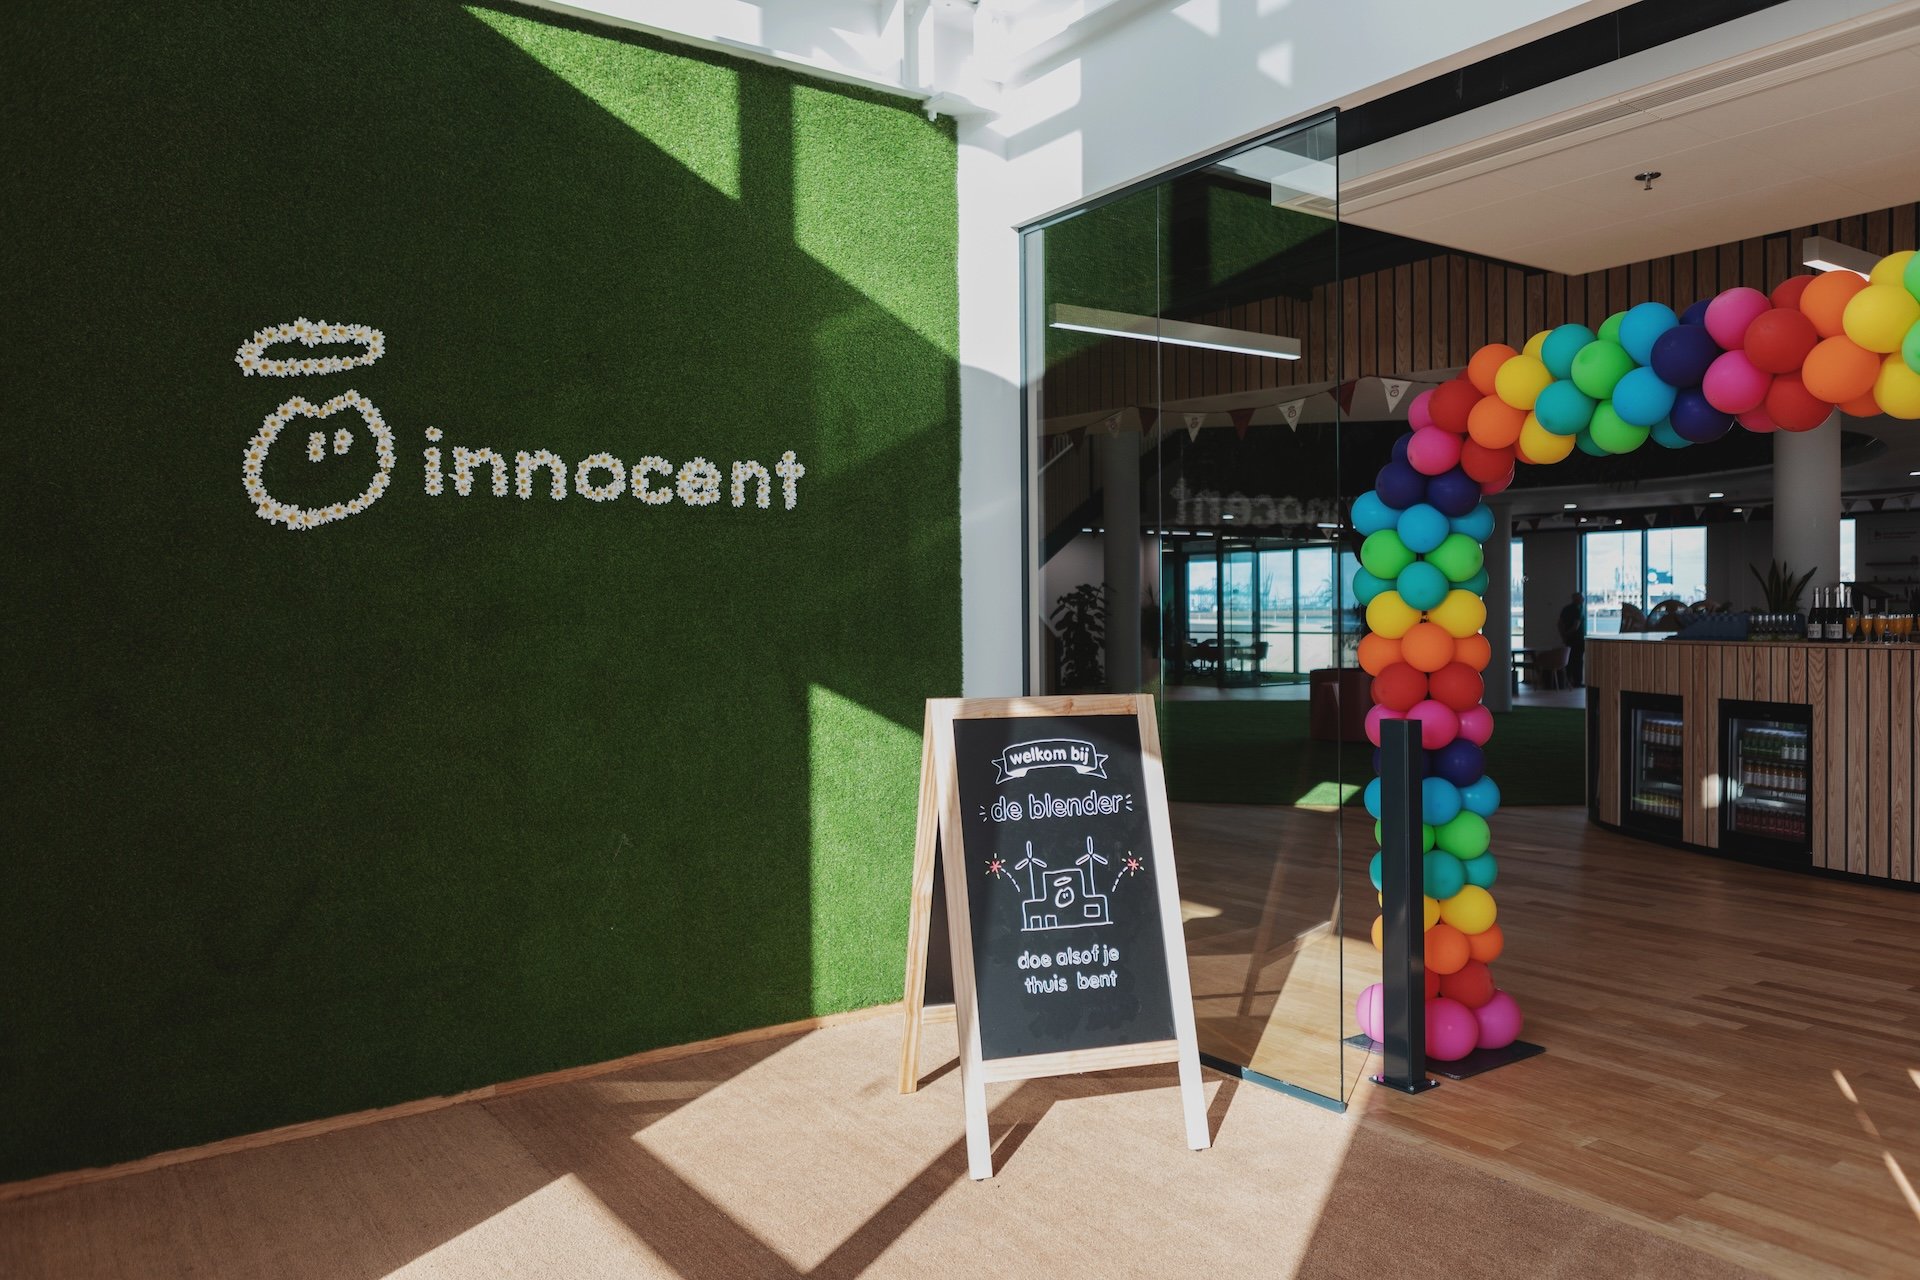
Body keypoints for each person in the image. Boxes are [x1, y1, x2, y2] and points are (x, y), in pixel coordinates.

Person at [1557, 591, 1586, 687]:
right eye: (1581, 598)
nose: (1583, 599)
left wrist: (1564, 635)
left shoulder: (1566, 609)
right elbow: (1576, 626)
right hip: (1578, 640)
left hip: (1569, 640)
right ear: (1577, 599)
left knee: (1569, 660)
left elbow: (1560, 623)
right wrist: (1568, 633)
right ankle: (1577, 682)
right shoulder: (1578, 610)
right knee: (1578, 661)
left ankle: (1568, 680)